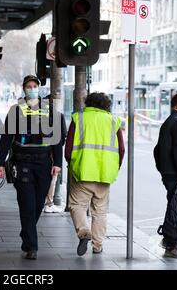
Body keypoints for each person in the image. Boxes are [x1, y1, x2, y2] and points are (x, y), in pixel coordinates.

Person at [0, 75, 66, 260]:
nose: (32, 89)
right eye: (29, 86)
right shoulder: (15, 110)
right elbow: (6, 138)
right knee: (27, 205)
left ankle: (27, 234)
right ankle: (32, 247)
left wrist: (58, 164)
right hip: (23, 163)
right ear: (24, 88)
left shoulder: (50, 111)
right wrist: (0, 163)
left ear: (39, 88)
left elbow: (57, 140)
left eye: (35, 86)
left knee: (37, 206)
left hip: (44, 163)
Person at [65, 92, 124, 256]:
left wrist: (71, 164)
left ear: (88, 103)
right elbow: (121, 149)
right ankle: (97, 246)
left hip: (82, 171)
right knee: (100, 211)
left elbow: (68, 147)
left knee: (77, 205)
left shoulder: (79, 118)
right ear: (106, 105)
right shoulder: (114, 121)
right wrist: (114, 167)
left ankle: (84, 231)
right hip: (105, 173)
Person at [153, 93, 177, 259]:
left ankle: (169, 242)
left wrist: (163, 169)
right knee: (176, 210)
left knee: (173, 207)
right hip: (175, 175)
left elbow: (157, 150)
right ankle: (170, 245)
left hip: (169, 173)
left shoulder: (170, 121)